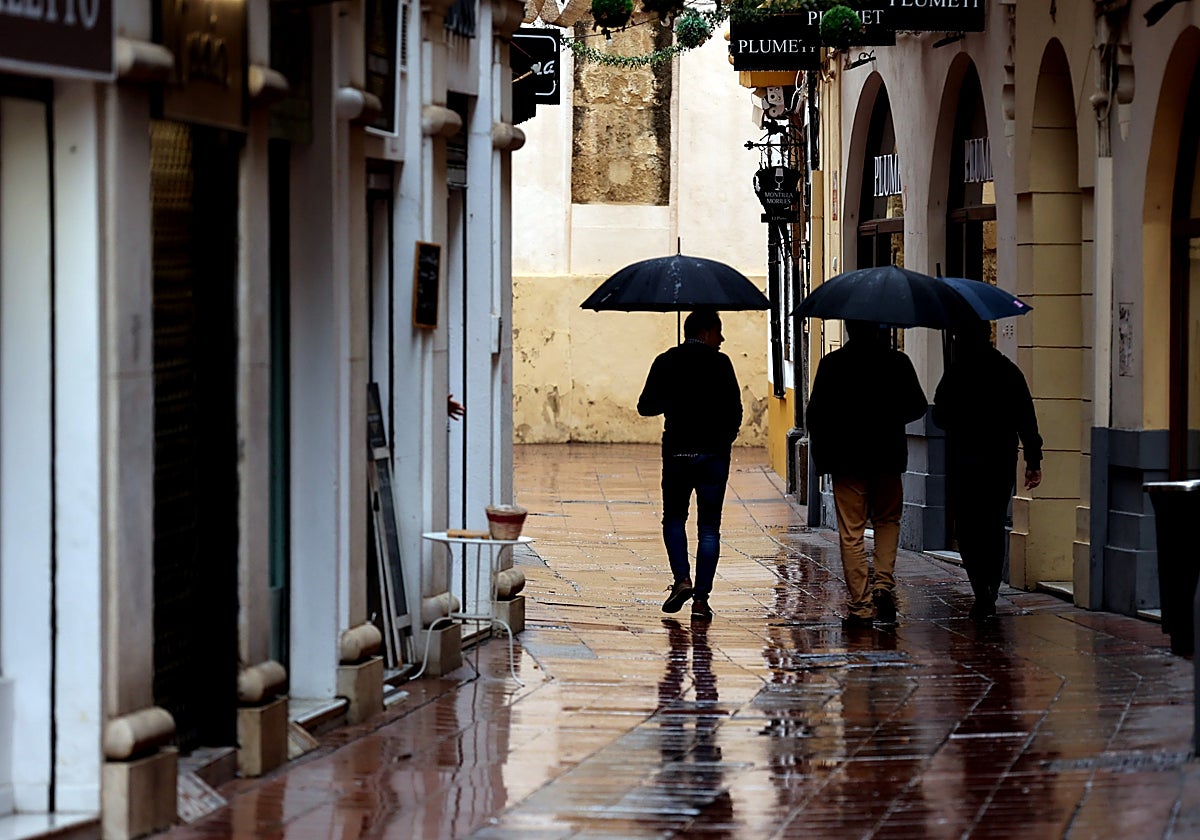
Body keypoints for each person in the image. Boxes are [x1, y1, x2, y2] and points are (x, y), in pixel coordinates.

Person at [806, 320, 928, 629]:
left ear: (847, 330)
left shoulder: (832, 364)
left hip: (847, 461)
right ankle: (883, 586)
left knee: (852, 532)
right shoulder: (897, 362)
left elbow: (815, 416)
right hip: (887, 457)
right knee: (887, 521)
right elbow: (917, 407)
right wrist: (888, 414)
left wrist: (824, 459)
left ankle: (860, 607)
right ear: (877, 330)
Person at [933, 319, 1042, 622]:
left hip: (964, 461)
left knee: (968, 526)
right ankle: (990, 585)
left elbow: (940, 417)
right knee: (992, 523)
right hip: (999, 460)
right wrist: (1033, 459)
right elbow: (1026, 417)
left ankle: (981, 588)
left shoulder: (955, 373)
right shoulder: (1008, 371)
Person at [638, 308, 743, 621]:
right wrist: (725, 440)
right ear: (707, 332)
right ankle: (701, 599)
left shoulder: (666, 361)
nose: (721, 339)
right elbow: (735, 410)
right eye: (718, 332)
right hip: (713, 455)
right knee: (709, 527)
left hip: (677, 454)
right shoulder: (721, 363)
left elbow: (646, 407)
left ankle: (682, 579)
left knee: (673, 517)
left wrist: (672, 395)